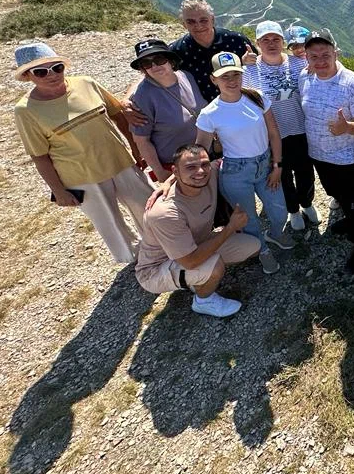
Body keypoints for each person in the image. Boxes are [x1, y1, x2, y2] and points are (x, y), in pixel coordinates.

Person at [13, 42, 154, 264]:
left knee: (147, 204)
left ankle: (161, 246)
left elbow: (118, 115)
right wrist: (58, 191)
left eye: (57, 67)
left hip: (119, 160)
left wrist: (136, 149)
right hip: (81, 177)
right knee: (110, 223)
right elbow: (39, 156)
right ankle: (136, 261)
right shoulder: (26, 110)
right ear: (28, 76)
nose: (52, 75)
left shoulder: (86, 83)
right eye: (41, 72)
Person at [135, 144, 277, 317]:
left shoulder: (209, 175)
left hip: (195, 243)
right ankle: (203, 301)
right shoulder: (165, 213)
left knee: (253, 246)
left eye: (204, 164)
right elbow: (190, 261)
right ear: (176, 171)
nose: (200, 171)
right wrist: (230, 227)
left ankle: (195, 280)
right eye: (190, 167)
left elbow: (231, 159)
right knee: (214, 266)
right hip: (158, 267)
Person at [194, 51, 288, 263]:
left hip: (264, 164)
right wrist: (180, 175)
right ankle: (261, 249)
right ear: (213, 79)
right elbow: (200, 149)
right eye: (224, 76)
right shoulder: (209, 114)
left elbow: (273, 133)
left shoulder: (256, 97)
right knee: (248, 219)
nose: (231, 80)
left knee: (280, 209)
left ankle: (275, 233)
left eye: (235, 74)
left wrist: (277, 166)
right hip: (235, 173)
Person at [298, 28, 354, 272]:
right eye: (314, 56)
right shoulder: (305, 77)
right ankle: (350, 224)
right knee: (333, 191)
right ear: (306, 57)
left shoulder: (352, 83)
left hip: (346, 157)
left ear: (336, 53)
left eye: (325, 55)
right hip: (318, 153)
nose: (320, 61)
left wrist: (347, 127)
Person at [242, 20, 319, 231]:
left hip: (301, 128)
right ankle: (293, 210)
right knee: (282, 175)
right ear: (257, 43)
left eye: (276, 39)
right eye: (265, 40)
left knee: (305, 172)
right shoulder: (249, 69)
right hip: (273, 135)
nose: (271, 43)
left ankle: (307, 202)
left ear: (283, 42)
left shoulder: (297, 63)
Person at [128, 38, 206, 182]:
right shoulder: (142, 97)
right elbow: (141, 140)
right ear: (142, 69)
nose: (154, 66)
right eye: (146, 63)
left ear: (170, 60)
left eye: (159, 59)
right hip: (177, 167)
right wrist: (160, 173)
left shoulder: (186, 76)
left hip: (205, 156)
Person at [169, 0, 257, 102]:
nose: (198, 25)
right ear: (184, 24)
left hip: (242, 103)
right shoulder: (177, 51)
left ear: (212, 20)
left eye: (203, 20)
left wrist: (247, 63)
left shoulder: (236, 41)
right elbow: (160, 78)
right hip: (202, 112)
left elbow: (261, 68)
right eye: (191, 22)